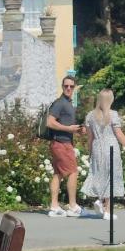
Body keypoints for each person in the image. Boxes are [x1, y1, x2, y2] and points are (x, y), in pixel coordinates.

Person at [82, 89, 125, 220]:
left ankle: (100, 200)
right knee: (111, 177)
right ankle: (107, 210)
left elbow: (90, 137)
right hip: (111, 147)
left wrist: (90, 152)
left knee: (99, 174)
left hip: (97, 147)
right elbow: (119, 134)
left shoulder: (90, 115)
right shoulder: (113, 114)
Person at [47, 75, 85, 217]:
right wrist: (68, 129)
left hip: (60, 142)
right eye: (66, 86)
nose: (68, 88)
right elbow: (50, 122)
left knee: (58, 174)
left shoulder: (69, 103)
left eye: (71, 86)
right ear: (62, 87)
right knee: (73, 172)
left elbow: (64, 124)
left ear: (74, 88)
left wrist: (78, 130)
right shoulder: (60, 103)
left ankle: (54, 206)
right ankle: (73, 206)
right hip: (61, 144)